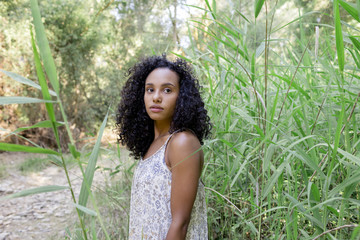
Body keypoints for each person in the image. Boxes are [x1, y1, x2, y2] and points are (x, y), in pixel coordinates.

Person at [116, 55, 211, 240]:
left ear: (182, 97)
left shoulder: (182, 142)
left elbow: (180, 224)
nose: (156, 97)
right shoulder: (154, 144)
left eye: (167, 90)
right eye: (150, 90)